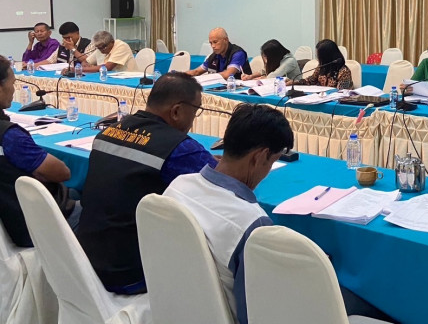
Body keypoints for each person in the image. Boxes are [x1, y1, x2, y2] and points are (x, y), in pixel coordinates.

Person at [164, 104, 392, 324]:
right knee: (362, 301)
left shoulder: (178, 186)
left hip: (179, 304)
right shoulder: (250, 222)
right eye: (271, 162)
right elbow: (257, 310)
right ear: (260, 157)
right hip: (234, 313)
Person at [76, 72, 217, 293]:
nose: (194, 119)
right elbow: (223, 183)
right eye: (195, 110)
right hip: (130, 271)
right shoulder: (179, 148)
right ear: (177, 111)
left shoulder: (107, 132)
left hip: (84, 258)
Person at [0, 55, 78, 246]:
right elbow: (62, 173)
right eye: (12, 84)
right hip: (30, 223)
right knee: (100, 213)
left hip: (11, 213)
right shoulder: (11, 137)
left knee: (76, 192)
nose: (14, 89)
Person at [186, 27, 251, 79]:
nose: (213, 46)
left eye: (215, 42)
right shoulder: (214, 56)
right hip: (221, 88)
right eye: (211, 43)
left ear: (226, 40)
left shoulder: (238, 54)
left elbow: (227, 75)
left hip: (240, 88)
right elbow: (196, 72)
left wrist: (206, 77)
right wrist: (182, 75)